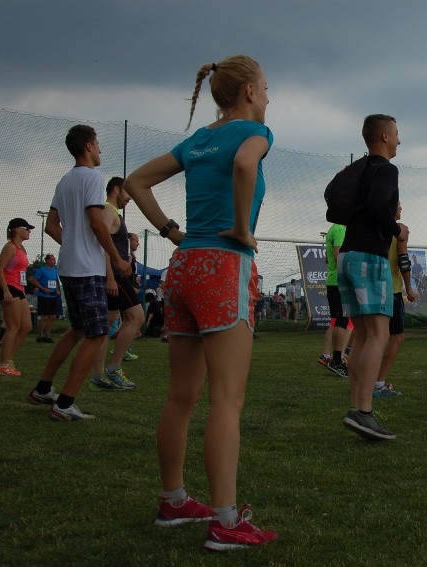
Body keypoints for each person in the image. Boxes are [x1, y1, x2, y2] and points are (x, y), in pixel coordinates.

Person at [123, 55, 278, 550]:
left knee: (180, 396)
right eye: (267, 88)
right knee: (227, 400)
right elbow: (244, 164)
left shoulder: (196, 140)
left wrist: (171, 232)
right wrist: (241, 227)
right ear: (250, 91)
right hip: (224, 265)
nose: (270, 98)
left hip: (184, 266)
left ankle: (174, 501)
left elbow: (134, 183)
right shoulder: (257, 132)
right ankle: (227, 521)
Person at [27, 125, 132, 419]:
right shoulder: (93, 178)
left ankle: (43, 388)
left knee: (77, 329)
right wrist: (116, 259)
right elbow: (97, 224)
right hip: (88, 269)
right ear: (88, 146)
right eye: (97, 144)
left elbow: (51, 225)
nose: (100, 150)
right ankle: (64, 404)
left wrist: (72, 243)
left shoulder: (64, 181)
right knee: (98, 334)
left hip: (69, 266)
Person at [339, 114, 405, 441]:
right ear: (384, 136)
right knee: (379, 335)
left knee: (363, 336)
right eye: (396, 134)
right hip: (369, 256)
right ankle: (364, 411)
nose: (399, 140)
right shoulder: (386, 169)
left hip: (348, 254)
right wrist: (396, 229)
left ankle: (357, 407)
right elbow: (380, 205)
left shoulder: (359, 169)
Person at [88, 176, 141, 390]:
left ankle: (99, 375)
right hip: (114, 276)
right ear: (117, 189)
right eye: (128, 193)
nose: (130, 199)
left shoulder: (112, 212)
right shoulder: (109, 210)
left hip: (113, 274)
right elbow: (102, 245)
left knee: (106, 325)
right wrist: (110, 277)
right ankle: (114, 368)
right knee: (136, 317)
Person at [375, 201, 418, 397]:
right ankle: (378, 384)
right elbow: (403, 260)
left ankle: (365, 381)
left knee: (371, 337)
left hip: (371, 288)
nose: (401, 209)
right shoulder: (400, 229)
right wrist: (409, 287)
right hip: (391, 289)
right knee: (396, 337)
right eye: (399, 206)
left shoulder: (372, 225)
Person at [0, 218, 35, 376]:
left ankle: (8, 360)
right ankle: (3, 364)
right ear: (17, 230)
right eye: (27, 228)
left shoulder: (22, 249)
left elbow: (20, 273)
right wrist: (5, 291)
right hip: (9, 288)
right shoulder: (9, 247)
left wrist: (22, 292)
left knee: (26, 327)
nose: (29, 231)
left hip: (19, 289)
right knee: (13, 327)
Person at [319, 222, 351, 377]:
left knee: (336, 321)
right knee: (343, 321)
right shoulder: (339, 229)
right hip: (339, 281)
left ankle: (328, 355)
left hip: (333, 280)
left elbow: (327, 258)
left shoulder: (333, 228)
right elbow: (338, 255)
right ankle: (338, 359)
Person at [28, 253, 59, 343]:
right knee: (44, 316)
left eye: (54, 259)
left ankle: (47, 334)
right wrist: (43, 289)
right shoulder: (42, 270)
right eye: (52, 259)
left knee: (52, 316)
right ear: (47, 261)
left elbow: (55, 280)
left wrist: (57, 289)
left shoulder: (55, 270)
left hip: (52, 295)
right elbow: (34, 280)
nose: (54, 261)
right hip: (43, 296)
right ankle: (40, 335)